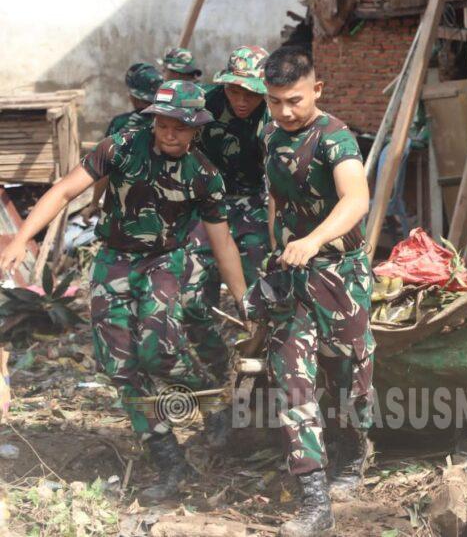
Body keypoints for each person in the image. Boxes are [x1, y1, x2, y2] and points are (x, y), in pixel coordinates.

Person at [0, 80, 249, 500]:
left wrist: (243, 300)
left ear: (196, 128)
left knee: (158, 352)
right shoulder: (121, 147)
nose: (169, 134)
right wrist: (22, 237)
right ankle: (170, 461)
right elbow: (64, 190)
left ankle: (212, 402)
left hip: (164, 261)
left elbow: (222, 241)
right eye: (163, 125)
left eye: (180, 128)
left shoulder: (204, 175)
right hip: (114, 260)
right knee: (119, 366)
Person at [249, 45, 374, 537]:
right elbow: (275, 197)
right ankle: (315, 500)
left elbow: (357, 198)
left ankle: (354, 452)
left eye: (294, 100)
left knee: (349, 380)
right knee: (292, 380)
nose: (284, 111)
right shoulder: (268, 133)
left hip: (339, 274)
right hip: (291, 278)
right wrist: (275, 250)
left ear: (317, 89)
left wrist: (314, 239)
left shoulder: (335, 138)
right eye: (274, 100)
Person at [180, 47, 274, 447]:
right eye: (235, 90)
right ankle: (217, 369)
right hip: (206, 205)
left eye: (250, 93)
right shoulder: (203, 104)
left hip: (255, 206)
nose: (241, 100)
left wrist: (278, 232)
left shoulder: (275, 114)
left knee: (260, 300)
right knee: (188, 300)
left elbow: (280, 180)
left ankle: (262, 384)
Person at [83, 63, 163, 219]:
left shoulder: (121, 124)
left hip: (126, 211)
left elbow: (105, 168)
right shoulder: (171, 125)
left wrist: (94, 203)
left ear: (133, 96)